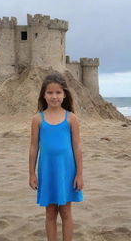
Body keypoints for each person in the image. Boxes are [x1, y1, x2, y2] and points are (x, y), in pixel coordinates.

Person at [29, 73, 84, 241]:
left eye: (58, 92)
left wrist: (79, 174)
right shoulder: (38, 119)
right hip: (47, 171)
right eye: (50, 93)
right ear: (43, 95)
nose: (54, 96)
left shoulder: (71, 118)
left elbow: (77, 147)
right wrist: (31, 173)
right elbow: (33, 147)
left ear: (64, 94)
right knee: (50, 211)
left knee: (66, 211)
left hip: (66, 171)